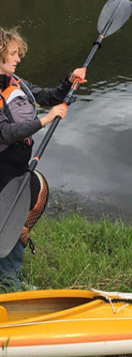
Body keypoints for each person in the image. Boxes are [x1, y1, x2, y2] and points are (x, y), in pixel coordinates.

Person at [0, 27, 86, 290]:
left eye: (18, 53)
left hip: (19, 167)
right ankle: (8, 284)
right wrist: (45, 119)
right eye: (13, 54)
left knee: (29, 204)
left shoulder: (18, 83)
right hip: (2, 169)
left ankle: (9, 275)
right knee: (7, 219)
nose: (18, 58)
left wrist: (69, 81)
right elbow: (6, 131)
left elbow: (49, 96)